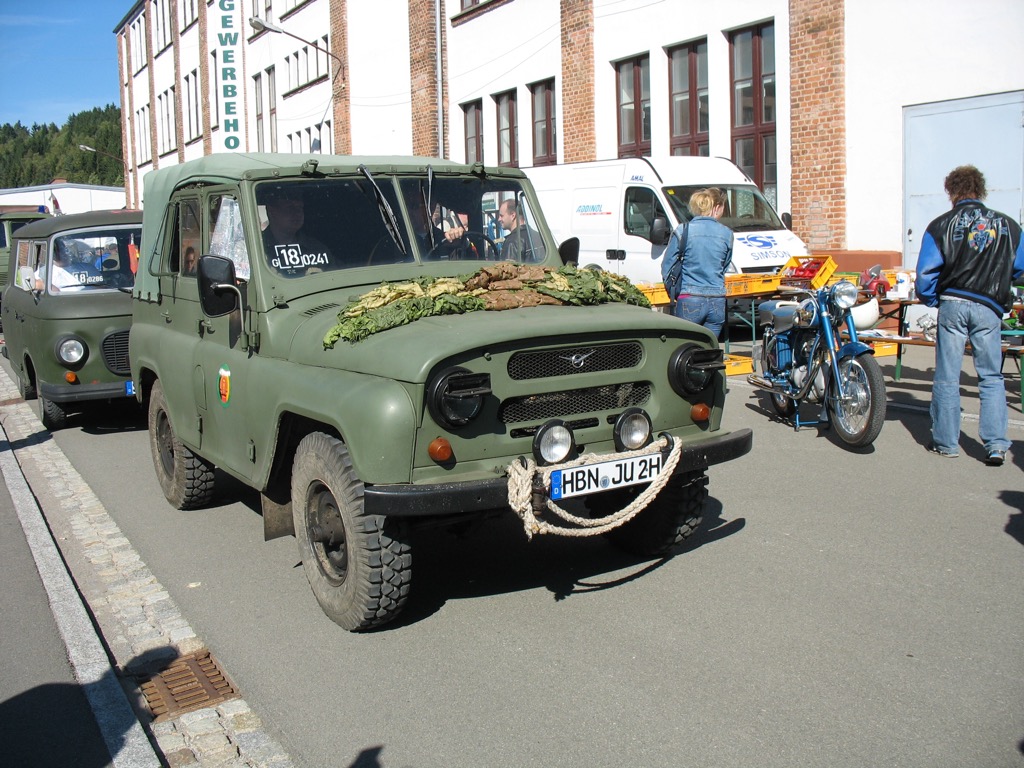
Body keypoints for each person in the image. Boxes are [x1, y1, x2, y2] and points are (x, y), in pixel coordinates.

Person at [915, 165, 1024, 465]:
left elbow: (925, 274)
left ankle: (946, 442)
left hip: (952, 302)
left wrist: (932, 299)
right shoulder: (1009, 226)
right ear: (980, 189)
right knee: (991, 376)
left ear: (952, 191)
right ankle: (996, 445)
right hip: (989, 305)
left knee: (948, 376)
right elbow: (1019, 268)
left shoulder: (940, 225)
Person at [660, 187, 733, 338]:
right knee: (709, 350)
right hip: (717, 299)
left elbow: (667, 265)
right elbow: (724, 265)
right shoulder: (727, 233)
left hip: (689, 297)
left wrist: (673, 290)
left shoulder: (683, 231)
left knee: (687, 348)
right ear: (716, 208)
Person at [260, 186, 333, 276]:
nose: (297, 213)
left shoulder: (317, 249)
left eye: (299, 208)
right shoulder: (258, 249)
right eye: (290, 208)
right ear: (271, 211)